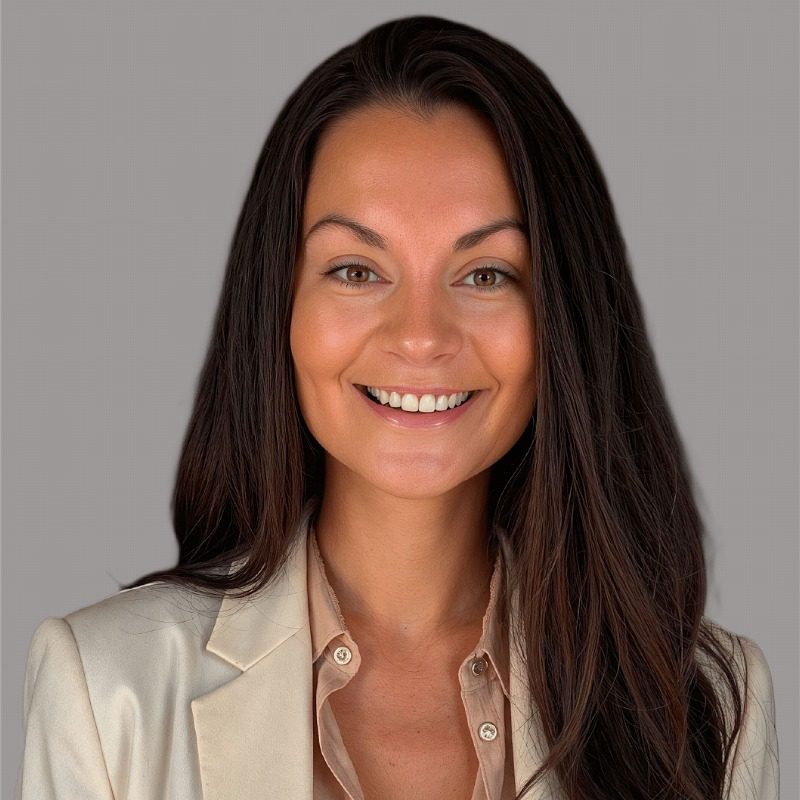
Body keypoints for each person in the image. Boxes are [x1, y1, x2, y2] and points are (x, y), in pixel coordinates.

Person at [16, 15, 779, 800]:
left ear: (564, 317)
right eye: (355, 269)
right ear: (279, 305)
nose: (421, 337)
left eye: (485, 275)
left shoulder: (707, 709)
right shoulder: (108, 696)